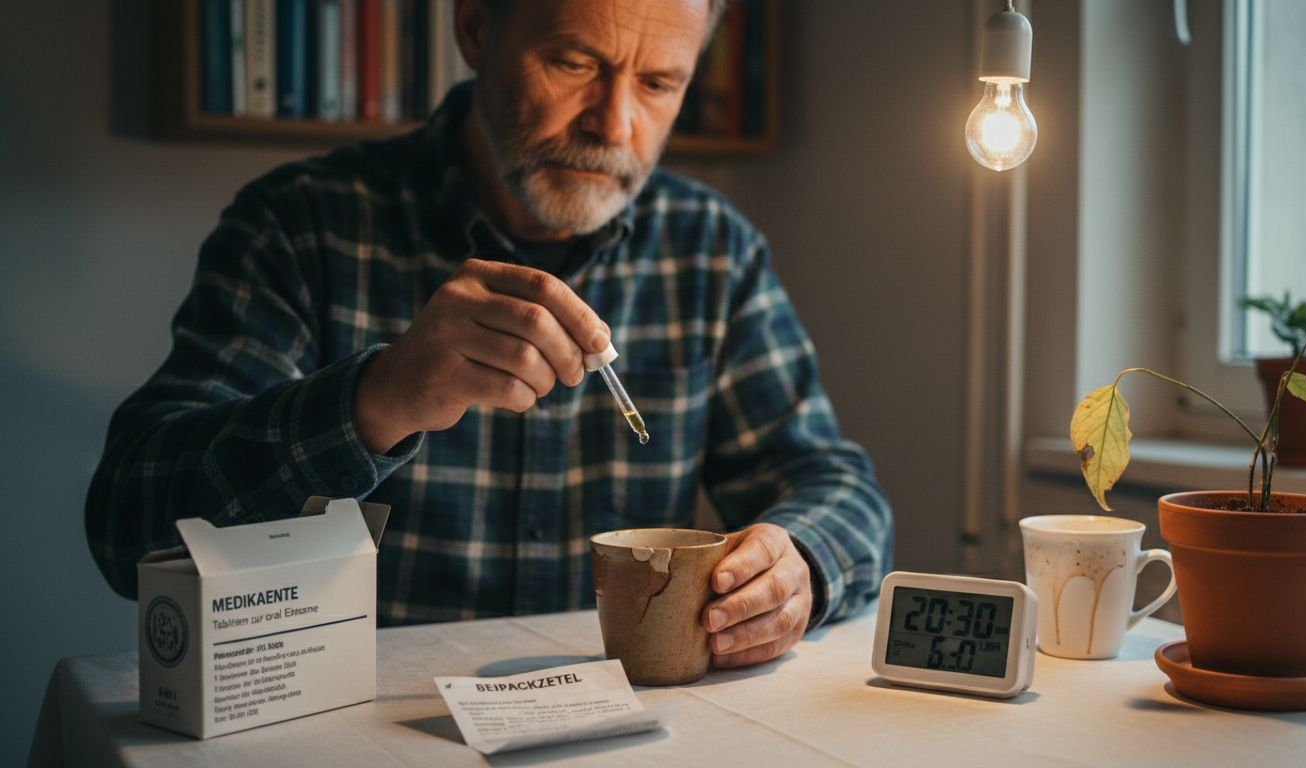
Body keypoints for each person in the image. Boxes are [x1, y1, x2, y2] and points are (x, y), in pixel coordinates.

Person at [86, 0, 892, 669]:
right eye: (576, 63)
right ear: (476, 27)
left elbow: (840, 489)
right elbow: (132, 530)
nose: (615, 123)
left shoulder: (711, 249)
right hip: (361, 730)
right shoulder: (303, 226)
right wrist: (376, 400)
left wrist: (802, 567)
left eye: (657, 82)